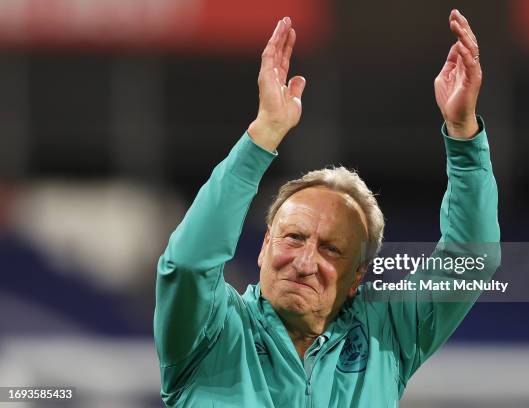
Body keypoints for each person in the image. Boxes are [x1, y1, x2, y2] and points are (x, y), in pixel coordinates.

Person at [154, 9, 500, 407]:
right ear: (265, 245)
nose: (304, 263)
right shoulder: (211, 331)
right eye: (294, 237)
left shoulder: (386, 335)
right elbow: (186, 265)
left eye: (330, 250)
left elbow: (471, 259)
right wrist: (263, 135)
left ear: (357, 278)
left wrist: (463, 135)